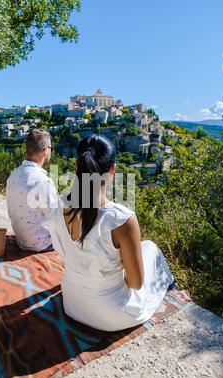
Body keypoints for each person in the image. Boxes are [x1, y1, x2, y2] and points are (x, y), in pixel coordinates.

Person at [43, 134, 175, 332]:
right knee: (151, 248)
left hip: (72, 304)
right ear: (112, 170)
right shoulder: (122, 219)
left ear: (77, 167)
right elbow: (136, 284)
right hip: (112, 315)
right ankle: (171, 284)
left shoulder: (58, 207)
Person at [6, 129, 57, 252]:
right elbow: (56, 218)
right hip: (41, 243)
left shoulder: (13, 175)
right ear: (45, 150)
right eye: (51, 148)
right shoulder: (43, 182)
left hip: (21, 240)